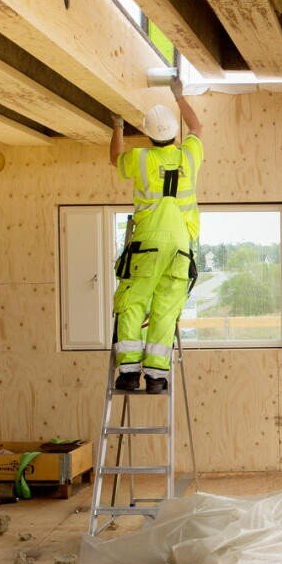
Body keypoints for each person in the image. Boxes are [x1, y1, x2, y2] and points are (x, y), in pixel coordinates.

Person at [108, 81, 204, 393]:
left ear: (148, 135)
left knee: (132, 303)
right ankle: (157, 377)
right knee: (165, 310)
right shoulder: (188, 156)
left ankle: (128, 373)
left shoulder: (140, 159)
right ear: (175, 134)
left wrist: (118, 127)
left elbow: (115, 157)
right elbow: (198, 126)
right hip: (179, 247)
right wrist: (179, 94)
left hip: (147, 244)